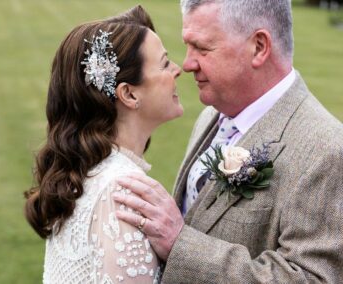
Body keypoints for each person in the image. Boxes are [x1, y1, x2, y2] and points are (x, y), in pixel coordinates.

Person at [113, 0, 343, 283]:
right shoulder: (211, 115)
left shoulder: (327, 150)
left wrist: (180, 244)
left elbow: (312, 278)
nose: (187, 64)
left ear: (259, 47)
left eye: (202, 48)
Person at [23, 5, 183, 283]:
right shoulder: (122, 192)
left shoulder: (88, 173)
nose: (178, 70)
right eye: (165, 63)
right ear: (129, 94)